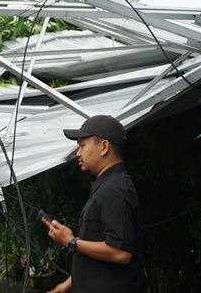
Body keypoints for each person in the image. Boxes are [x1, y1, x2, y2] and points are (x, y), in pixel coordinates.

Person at [42, 115, 143, 292]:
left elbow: (121, 253)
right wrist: (66, 286)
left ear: (104, 147)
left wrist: (71, 241)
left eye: (82, 146)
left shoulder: (114, 191)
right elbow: (98, 252)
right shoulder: (105, 186)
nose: (78, 153)